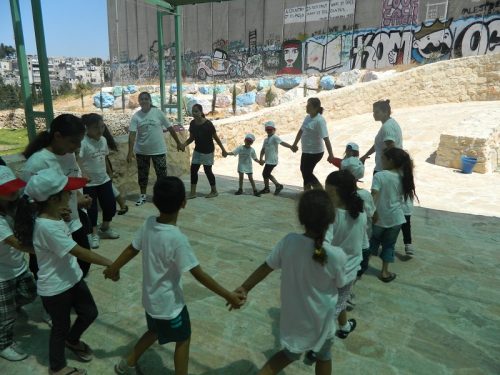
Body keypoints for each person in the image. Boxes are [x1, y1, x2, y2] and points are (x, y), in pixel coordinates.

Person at [103, 176, 245, 375]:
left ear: (155, 202)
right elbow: (199, 274)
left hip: (151, 301)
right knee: (183, 338)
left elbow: (131, 249)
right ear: (183, 203)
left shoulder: (149, 223)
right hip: (169, 306)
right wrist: (228, 295)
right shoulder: (177, 239)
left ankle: (126, 364)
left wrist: (113, 268)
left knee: (154, 331)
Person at [234, 190, 347, 375]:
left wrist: (245, 287)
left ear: (301, 219)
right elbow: (342, 287)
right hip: (322, 322)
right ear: (332, 219)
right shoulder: (337, 255)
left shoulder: (289, 242)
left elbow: (266, 266)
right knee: (324, 356)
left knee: (288, 355)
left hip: (295, 319)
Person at [14, 168, 113, 375]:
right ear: (53, 199)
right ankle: (57, 368)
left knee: (89, 313)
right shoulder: (46, 226)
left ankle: (72, 340)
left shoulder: (53, 217)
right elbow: (78, 251)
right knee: (60, 328)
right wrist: (109, 263)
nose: (72, 195)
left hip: (72, 278)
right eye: (68, 192)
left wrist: (65, 220)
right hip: (56, 289)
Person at [21, 114, 93, 278]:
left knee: (82, 262)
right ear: (58, 136)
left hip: (73, 222)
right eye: (73, 141)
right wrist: (51, 211)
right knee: (48, 269)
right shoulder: (37, 162)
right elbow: (28, 199)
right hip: (48, 228)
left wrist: (79, 197)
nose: (77, 146)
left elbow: (69, 182)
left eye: (80, 141)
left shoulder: (69, 154)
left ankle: (73, 291)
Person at [0, 166, 37, 361]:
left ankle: (10, 305)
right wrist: (49, 250)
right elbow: (18, 244)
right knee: (6, 318)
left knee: (30, 294)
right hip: (2, 275)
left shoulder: (16, 205)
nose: (13, 190)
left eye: (13, 186)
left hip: (17, 266)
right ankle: (3, 345)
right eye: (6, 189)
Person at [324, 170, 366, 339]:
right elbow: (363, 243)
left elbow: (322, 246)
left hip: (330, 271)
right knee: (340, 301)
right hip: (350, 270)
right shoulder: (360, 213)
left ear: (335, 192)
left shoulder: (331, 216)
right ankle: (345, 326)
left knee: (333, 307)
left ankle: (319, 340)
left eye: (327, 192)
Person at [127, 91, 185, 206]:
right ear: (139, 102)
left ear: (150, 100)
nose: (144, 101)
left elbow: (170, 128)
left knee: (162, 176)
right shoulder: (136, 116)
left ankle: (162, 197)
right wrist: (129, 152)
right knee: (142, 175)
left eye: (146, 99)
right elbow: (132, 134)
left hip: (159, 150)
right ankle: (143, 196)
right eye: (141, 99)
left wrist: (178, 142)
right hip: (142, 151)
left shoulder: (158, 113)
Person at [369, 148, 416, 283]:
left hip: (380, 217)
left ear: (391, 161)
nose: (381, 161)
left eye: (383, 158)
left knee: (372, 243)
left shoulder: (379, 176)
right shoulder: (403, 178)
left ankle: (361, 267)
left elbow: (373, 195)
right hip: (396, 219)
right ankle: (384, 272)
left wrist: (372, 212)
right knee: (389, 245)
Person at [78, 113, 120, 250]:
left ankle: (105, 228)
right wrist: (82, 174)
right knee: (92, 210)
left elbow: (105, 157)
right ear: (87, 128)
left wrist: (109, 172)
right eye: (96, 127)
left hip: (104, 180)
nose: (100, 130)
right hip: (89, 183)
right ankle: (94, 234)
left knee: (110, 206)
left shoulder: (103, 140)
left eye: (102, 127)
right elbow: (76, 160)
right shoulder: (83, 143)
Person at [183, 104, 227, 199]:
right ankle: (193, 192)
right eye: (193, 111)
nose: (194, 113)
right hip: (198, 150)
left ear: (201, 112)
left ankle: (214, 191)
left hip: (208, 151)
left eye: (196, 111)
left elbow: (216, 138)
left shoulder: (208, 124)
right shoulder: (192, 124)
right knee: (193, 170)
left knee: (207, 171)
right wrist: (184, 144)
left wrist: (223, 150)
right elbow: (191, 138)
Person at [291, 98, 335, 190]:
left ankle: (320, 191)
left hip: (315, 152)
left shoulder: (319, 121)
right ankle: (308, 192)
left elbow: (326, 139)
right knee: (305, 172)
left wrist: (331, 155)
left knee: (306, 172)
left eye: (309, 105)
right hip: (306, 151)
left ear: (315, 108)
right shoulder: (308, 117)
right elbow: (301, 131)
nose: (306, 107)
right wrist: (294, 144)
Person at [360, 100, 403, 173]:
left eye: (377, 112)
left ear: (385, 112)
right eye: (373, 112)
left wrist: (389, 171)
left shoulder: (387, 127)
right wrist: (366, 155)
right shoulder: (391, 122)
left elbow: (391, 149)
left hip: (383, 170)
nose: (374, 114)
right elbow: (379, 144)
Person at [258, 121, 293, 195]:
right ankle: (273, 186)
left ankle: (274, 186)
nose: (269, 131)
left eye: (271, 129)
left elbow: (282, 143)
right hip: (268, 160)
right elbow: (263, 150)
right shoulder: (266, 140)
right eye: (267, 129)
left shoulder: (275, 137)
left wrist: (291, 147)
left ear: (274, 130)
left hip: (272, 160)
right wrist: (261, 158)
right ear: (265, 130)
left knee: (265, 174)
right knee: (266, 174)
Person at [102, 123, 128, 215]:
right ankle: (122, 205)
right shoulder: (104, 138)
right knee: (110, 186)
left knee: (109, 186)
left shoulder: (101, 140)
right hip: (104, 163)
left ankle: (122, 205)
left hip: (103, 164)